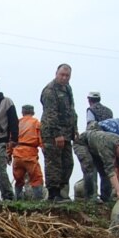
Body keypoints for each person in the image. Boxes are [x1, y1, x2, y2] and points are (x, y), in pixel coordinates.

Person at [40, 64, 78, 201]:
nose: (64, 78)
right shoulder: (50, 90)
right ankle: (53, 192)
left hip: (67, 132)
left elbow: (72, 110)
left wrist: (75, 130)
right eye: (62, 75)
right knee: (54, 162)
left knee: (68, 163)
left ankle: (62, 191)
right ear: (56, 73)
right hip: (52, 133)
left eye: (67, 76)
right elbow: (51, 114)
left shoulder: (67, 88)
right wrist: (57, 134)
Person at [75, 91, 113, 200]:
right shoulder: (109, 111)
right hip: (106, 141)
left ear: (89, 100)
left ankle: (91, 196)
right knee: (105, 170)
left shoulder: (90, 110)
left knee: (90, 169)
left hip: (93, 140)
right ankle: (106, 197)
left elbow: (90, 125)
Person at [81, 126, 119, 202]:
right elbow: (110, 171)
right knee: (89, 168)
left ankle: (106, 198)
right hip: (83, 143)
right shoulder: (107, 147)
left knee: (104, 173)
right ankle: (90, 198)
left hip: (96, 148)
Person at [12, 104, 45, 200]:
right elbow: (41, 139)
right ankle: (38, 200)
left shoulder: (17, 123)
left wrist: (9, 153)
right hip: (29, 154)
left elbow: (11, 140)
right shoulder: (36, 123)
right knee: (37, 178)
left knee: (18, 179)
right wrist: (44, 149)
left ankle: (17, 200)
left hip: (17, 154)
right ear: (33, 112)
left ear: (22, 112)